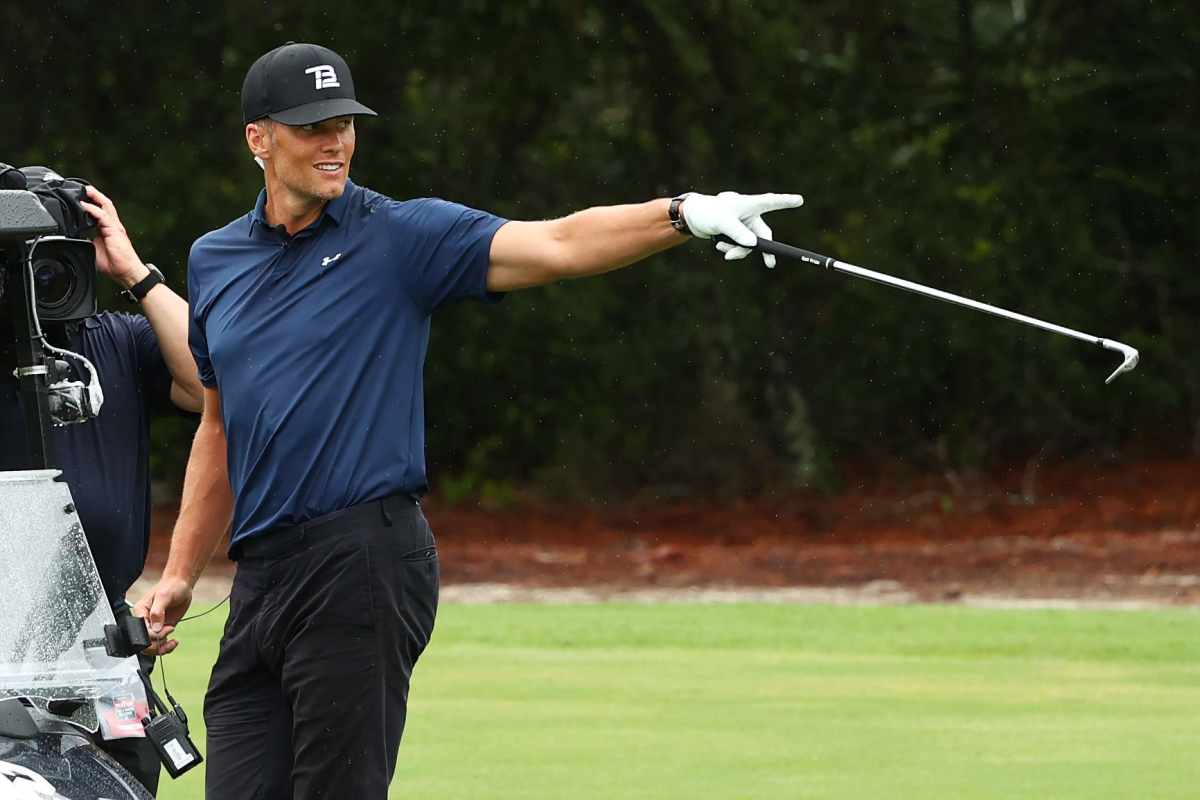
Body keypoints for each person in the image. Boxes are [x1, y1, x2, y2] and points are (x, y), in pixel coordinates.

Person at [135, 41, 803, 800]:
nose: (337, 141)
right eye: (313, 126)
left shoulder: (398, 237)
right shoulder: (215, 259)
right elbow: (220, 426)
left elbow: (555, 242)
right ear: (260, 138)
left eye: (345, 124)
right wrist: (181, 573)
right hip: (260, 579)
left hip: (361, 560)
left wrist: (683, 214)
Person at [0, 183, 204, 796]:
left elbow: (215, 381)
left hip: (102, 648)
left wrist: (134, 273)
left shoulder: (111, 339)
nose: (34, 279)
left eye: (50, 258)